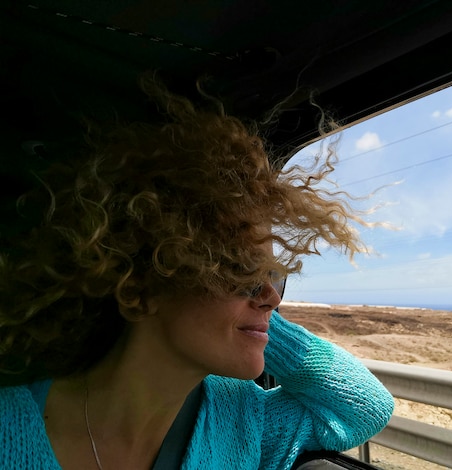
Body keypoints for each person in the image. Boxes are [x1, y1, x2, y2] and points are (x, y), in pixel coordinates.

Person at [0, 77, 394, 470]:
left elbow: (363, 406)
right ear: (140, 280)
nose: (272, 296)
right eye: (239, 268)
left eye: (275, 275)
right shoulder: (9, 426)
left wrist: (257, 323)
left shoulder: (240, 419)